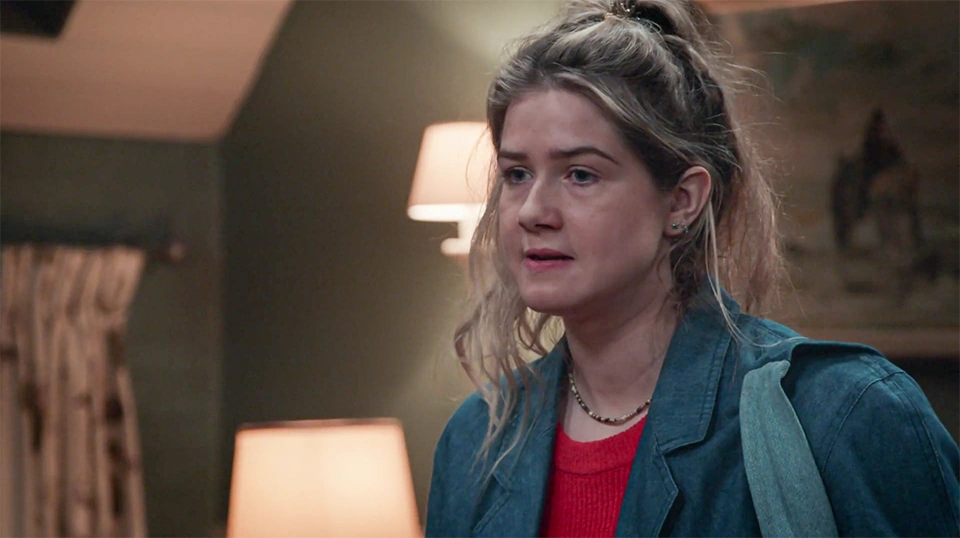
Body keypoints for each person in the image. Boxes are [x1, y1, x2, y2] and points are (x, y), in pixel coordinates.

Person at [425, 0, 960, 536]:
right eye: (517, 174)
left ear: (681, 201)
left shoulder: (842, 412)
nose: (533, 212)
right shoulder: (476, 440)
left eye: (581, 174)